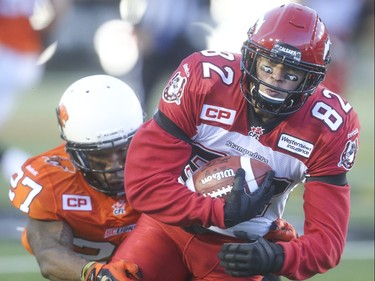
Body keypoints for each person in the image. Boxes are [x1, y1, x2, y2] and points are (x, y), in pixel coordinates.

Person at [108, 2, 360, 281]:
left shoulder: (328, 125)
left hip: (240, 248)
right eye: (268, 66)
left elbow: (328, 243)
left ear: (311, 80)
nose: (274, 81)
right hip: (168, 228)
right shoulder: (204, 79)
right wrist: (217, 211)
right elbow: (144, 184)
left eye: (290, 75)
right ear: (250, 58)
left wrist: (276, 258)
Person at [8, 75, 144, 281]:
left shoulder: (167, 161)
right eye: (99, 156)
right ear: (73, 152)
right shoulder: (51, 181)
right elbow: (49, 255)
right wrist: (97, 276)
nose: (114, 165)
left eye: (124, 150)